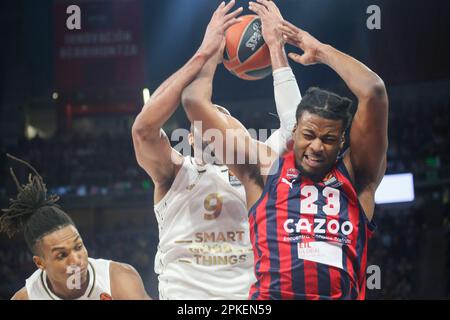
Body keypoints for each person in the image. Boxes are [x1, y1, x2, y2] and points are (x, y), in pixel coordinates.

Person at [181, 0, 388, 300]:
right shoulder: (265, 170)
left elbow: (374, 91)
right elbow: (194, 104)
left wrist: (318, 49)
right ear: (294, 134)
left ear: (342, 142)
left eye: (329, 139)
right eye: (309, 135)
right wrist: (209, 52)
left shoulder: (358, 178)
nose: (317, 146)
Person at [131, 0, 301, 299]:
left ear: (239, 135)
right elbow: (144, 130)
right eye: (203, 123)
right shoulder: (175, 172)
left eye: (221, 121)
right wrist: (205, 54)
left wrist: (275, 48)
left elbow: (296, 130)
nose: (211, 129)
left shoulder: (259, 163)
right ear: (191, 138)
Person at [0, 154, 151, 300]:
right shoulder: (27, 297)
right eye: (61, 255)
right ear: (40, 263)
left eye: (78, 247)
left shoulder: (118, 279)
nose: (75, 261)